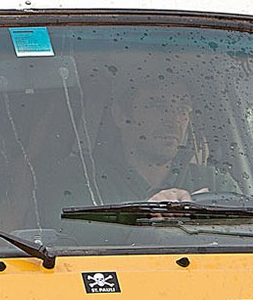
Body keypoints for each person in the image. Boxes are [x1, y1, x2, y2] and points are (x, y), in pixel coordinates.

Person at [78, 75, 241, 205]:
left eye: (182, 109)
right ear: (121, 116)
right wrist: (147, 217)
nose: (174, 120)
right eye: (158, 106)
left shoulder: (216, 184)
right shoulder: (83, 181)